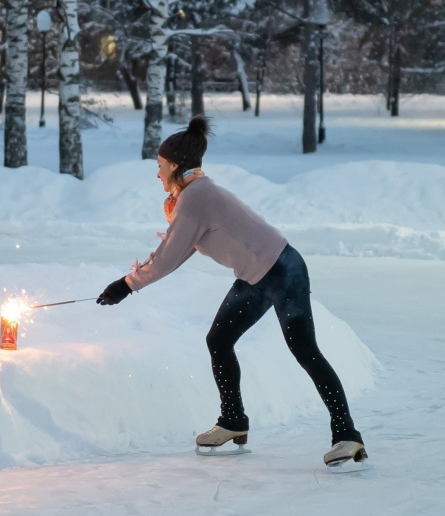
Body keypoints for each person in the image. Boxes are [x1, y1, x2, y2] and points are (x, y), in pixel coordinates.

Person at [95, 115, 368, 469]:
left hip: (283, 271)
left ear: (175, 165)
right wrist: (132, 282)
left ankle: (347, 435)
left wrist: (126, 285)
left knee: (305, 351)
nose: (157, 174)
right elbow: (179, 250)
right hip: (256, 275)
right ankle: (233, 421)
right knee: (219, 340)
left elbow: (166, 259)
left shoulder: (196, 197)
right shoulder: (195, 194)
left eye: (160, 166)